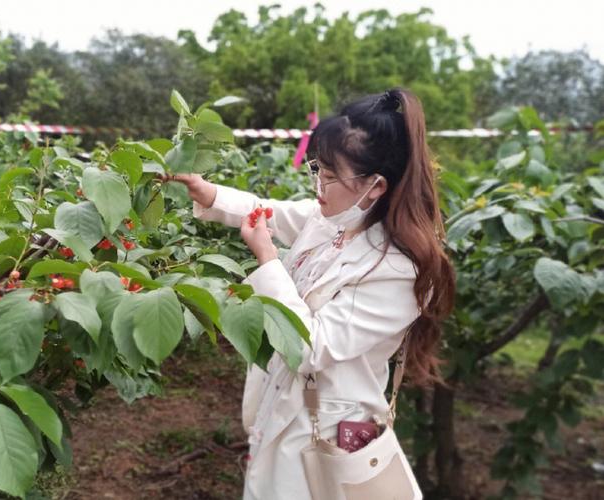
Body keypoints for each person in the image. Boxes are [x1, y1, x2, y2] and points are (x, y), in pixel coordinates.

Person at [162, 88, 455, 499]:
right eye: (318, 168)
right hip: (287, 409)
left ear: (375, 186)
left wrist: (267, 259)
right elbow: (271, 211)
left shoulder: (397, 270)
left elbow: (311, 347)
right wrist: (211, 195)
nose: (319, 184)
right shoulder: (333, 218)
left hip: (328, 430)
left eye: (332, 177)